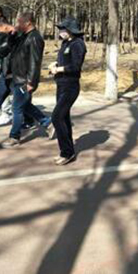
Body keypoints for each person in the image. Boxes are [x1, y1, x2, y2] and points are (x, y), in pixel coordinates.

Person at [1, 11, 51, 148]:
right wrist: (12, 34)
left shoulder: (35, 38)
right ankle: (47, 122)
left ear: (28, 23)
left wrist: (31, 82)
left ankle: (14, 137)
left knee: (16, 108)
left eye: (20, 22)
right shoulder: (23, 36)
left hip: (25, 80)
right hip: (17, 77)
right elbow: (11, 48)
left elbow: (35, 62)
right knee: (25, 105)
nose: (17, 25)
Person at [48, 17, 87, 166]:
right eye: (60, 29)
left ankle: (67, 152)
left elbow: (76, 66)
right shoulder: (65, 43)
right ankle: (68, 151)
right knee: (64, 119)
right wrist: (55, 64)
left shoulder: (78, 44)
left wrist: (59, 69)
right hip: (61, 84)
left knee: (56, 117)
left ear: (70, 30)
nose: (60, 31)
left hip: (70, 86)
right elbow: (64, 60)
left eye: (63, 29)